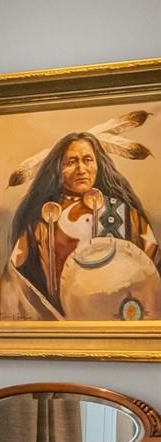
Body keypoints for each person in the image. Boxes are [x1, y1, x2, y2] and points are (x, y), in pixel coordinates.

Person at [9, 132, 158, 317]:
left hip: (118, 322)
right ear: (57, 169)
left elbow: (153, 268)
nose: (81, 169)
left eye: (88, 159)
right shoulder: (42, 223)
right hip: (60, 326)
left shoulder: (125, 215)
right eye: (71, 162)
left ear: (98, 164)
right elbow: (14, 278)